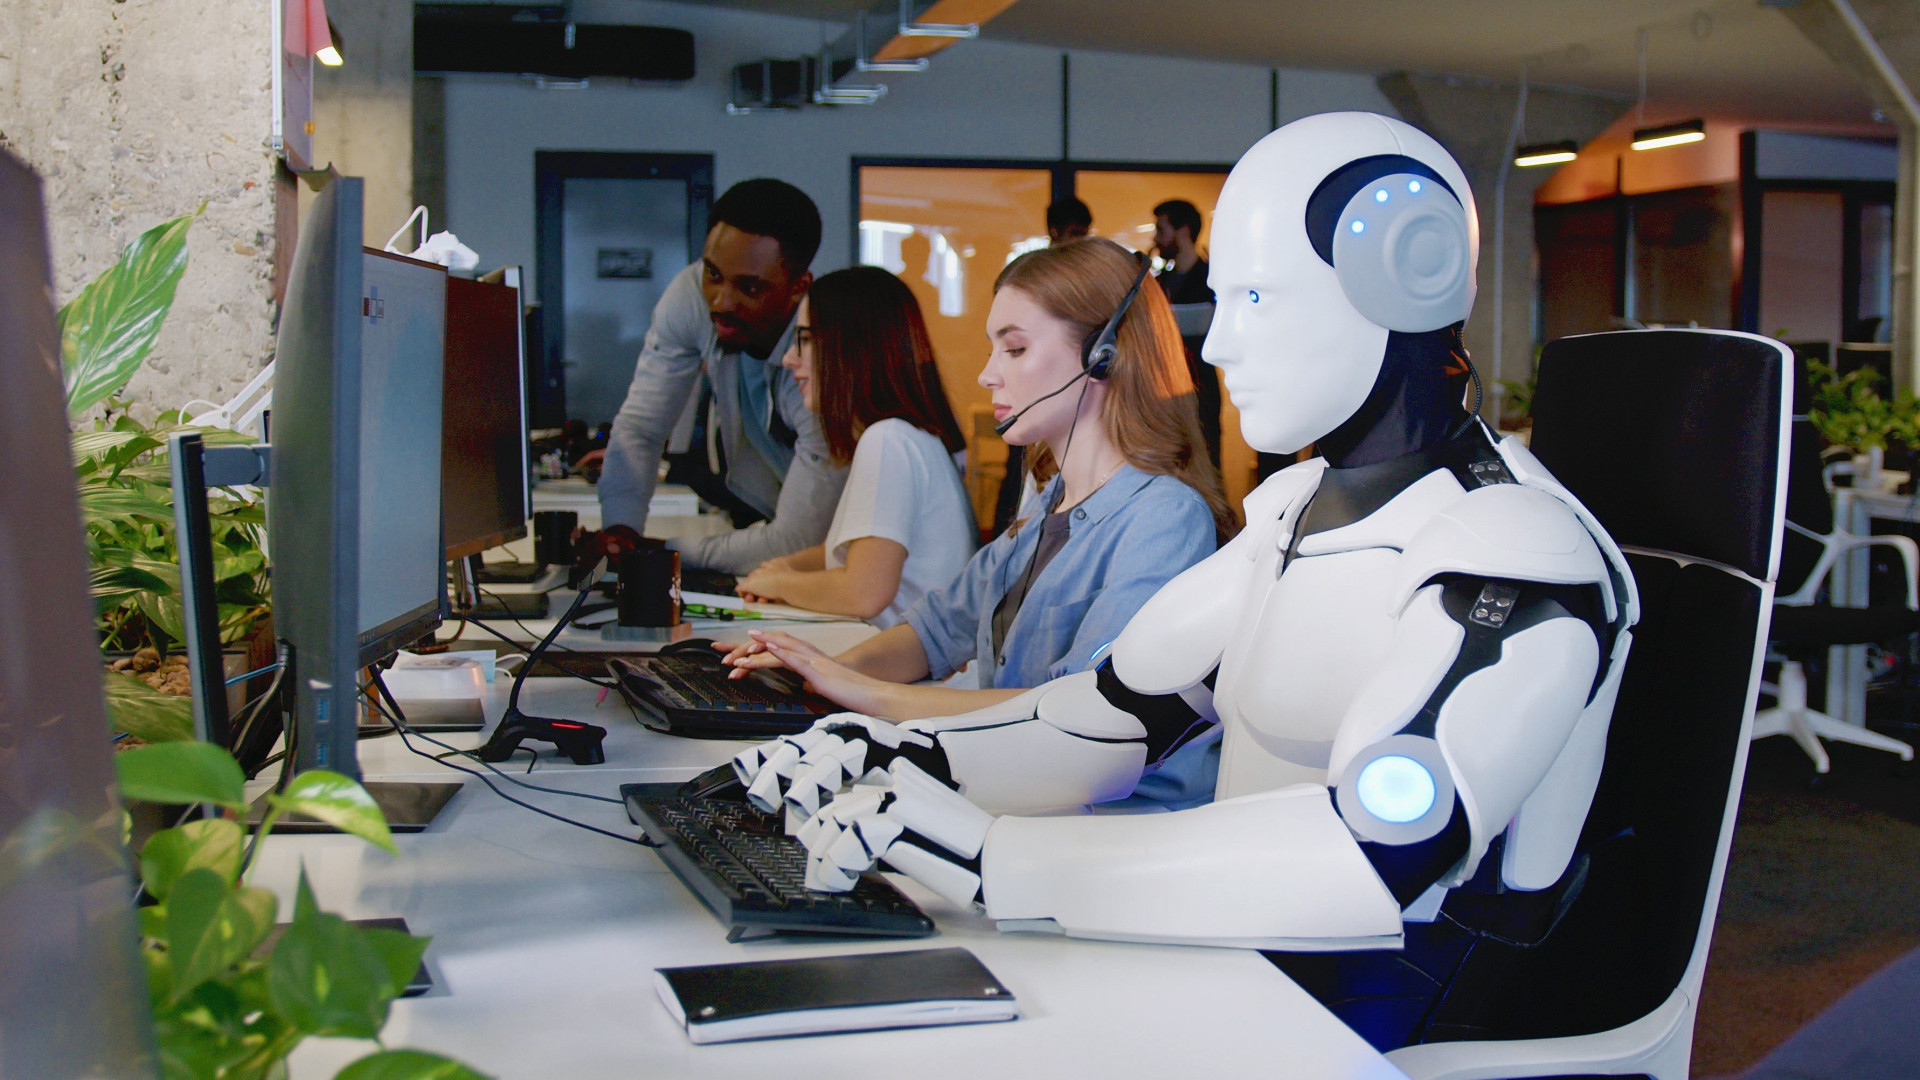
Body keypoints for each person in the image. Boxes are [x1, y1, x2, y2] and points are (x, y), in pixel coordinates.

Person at [735, 113, 1638, 1057]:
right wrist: (892, 757)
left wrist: (995, 857)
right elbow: (1107, 718)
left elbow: (1376, 850)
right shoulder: (1291, 513)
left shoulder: (1511, 550)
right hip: (1250, 964)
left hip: (1385, 1010)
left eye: (1258, 297)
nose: (1216, 347)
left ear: (1411, 272)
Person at [723, 237, 1233, 722]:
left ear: (1103, 357)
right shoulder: (1046, 506)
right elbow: (937, 629)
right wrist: (821, 671)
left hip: (1080, 788)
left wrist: (869, 694)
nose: (987, 375)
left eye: (1014, 349)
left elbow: (1083, 710)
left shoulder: (1164, 519)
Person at [592, 178, 847, 574]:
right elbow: (642, 428)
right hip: (778, 530)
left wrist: (658, 552)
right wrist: (620, 532)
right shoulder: (691, 296)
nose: (721, 301)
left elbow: (798, 541)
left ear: (799, 287)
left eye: (750, 287)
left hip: (847, 559)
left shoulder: (825, 364)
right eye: (713, 273)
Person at [732, 266, 976, 628]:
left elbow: (863, 591)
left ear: (853, 347)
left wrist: (779, 583)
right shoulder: (911, 437)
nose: (789, 359)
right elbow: (858, 554)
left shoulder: (888, 441)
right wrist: (787, 567)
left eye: (805, 340)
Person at [1153, 198, 1223, 469]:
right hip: (1165, 391)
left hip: (1200, 388)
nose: (1156, 238)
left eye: (1161, 230)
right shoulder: (1158, 283)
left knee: (1205, 461)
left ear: (1183, 231)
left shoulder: (1211, 280)